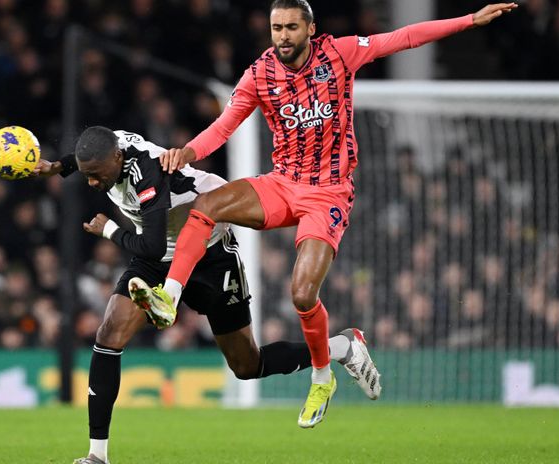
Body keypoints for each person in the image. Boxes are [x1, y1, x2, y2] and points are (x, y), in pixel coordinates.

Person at [135, 0, 519, 428]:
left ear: (310, 29)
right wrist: (187, 152)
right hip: (281, 184)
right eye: (276, 27)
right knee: (205, 206)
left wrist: (468, 20)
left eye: (291, 27)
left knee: (302, 294)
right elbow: (225, 126)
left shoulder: (339, 53)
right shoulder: (260, 73)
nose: (281, 35)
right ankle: (168, 296)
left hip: (328, 194)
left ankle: (322, 377)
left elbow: (404, 37)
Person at [33, 126, 369, 464]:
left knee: (247, 364)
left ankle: (340, 347)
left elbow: (148, 245)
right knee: (108, 334)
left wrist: (108, 229)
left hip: (211, 252)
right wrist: (58, 166)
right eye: (86, 173)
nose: (92, 182)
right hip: (161, 257)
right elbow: (92, 163)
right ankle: (96, 456)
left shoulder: (146, 173)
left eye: (96, 175)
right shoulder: (107, 148)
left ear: (118, 157)